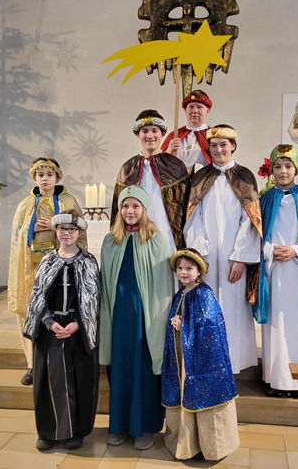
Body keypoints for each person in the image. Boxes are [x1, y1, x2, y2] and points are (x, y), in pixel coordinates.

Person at [100, 185, 174, 450]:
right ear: (120, 210)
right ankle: (118, 424)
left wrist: (159, 318)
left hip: (146, 317)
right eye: (125, 206)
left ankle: (145, 427)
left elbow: (165, 285)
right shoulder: (111, 241)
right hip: (118, 317)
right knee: (119, 369)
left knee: (143, 369)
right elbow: (104, 283)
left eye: (135, 206)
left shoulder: (156, 240)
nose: (130, 211)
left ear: (144, 210)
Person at [184, 125, 262, 374]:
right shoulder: (200, 177)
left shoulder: (245, 177)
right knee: (205, 309)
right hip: (206, 256)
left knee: (232, 309)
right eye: (214, 145)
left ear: (233, 146)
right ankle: (207, 365)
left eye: (224, 145)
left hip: (232, 259)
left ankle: (233, 365)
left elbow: (249, 220)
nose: (219, 150)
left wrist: (240, 257)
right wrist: (198, 253)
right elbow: (192, 217)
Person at [23, 211, 99, 451]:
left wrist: (78, 323)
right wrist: (47, 320)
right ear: (56, 231)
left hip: (78, 329)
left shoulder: (88, 261)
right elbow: (37, 295)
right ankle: (47, 432)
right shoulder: (48, 260)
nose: (67, 233)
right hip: (51, 329)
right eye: (62, 229)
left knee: (78, 380)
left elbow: (93, 298)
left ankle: (76, 432)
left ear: (79, 233)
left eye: (72, 229)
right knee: (47, 380)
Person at [255, 144, 298, 398]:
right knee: (277, 323)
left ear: (296, 169)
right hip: (273, 271)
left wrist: (296, 251)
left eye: (288, 166)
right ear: (271, 170)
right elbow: (256, 234)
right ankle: (275, 377)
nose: (283, 171)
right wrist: (270, 249)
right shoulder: (264, 199)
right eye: (278, 166)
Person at [7, 157, 86, 386]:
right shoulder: (25, 205)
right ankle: (32, 364)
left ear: (57, 177)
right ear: (34, 178)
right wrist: (31, 228)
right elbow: (16, 239)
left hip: (62, 267)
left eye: (49, 174)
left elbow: (80, 230)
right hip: (33, 267)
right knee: (32, 312)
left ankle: (62, 358)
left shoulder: (68, 200)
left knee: (60, 310)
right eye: (40, 174)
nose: (44, 178)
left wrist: (55, 225)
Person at [162, 248, 239, 461]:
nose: (183, 272)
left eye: (189, 268)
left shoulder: (204, 294)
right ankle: (188, 443)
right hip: (183, 356)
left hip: (201, 359)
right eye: (180, 268)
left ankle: (210, 447)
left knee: (200, 395)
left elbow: (209, 325)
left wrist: (183, 326)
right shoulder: (181, 293)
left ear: (199, 271)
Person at [110, 109, 189, 254]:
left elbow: (185, 209)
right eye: (144, 131)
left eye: (154, 130)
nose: (150, 135)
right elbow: (118, 211)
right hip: (136, 238)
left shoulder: (176, 167)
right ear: (137, 135)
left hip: (168, 238)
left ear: (162, 133)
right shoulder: (127, 169)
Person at [161, 90, 213, 172]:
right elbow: (161, 166)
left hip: (204, 181)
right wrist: (169, 151)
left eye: (199, 107)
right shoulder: (174, 135)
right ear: (185, 110)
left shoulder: (214, 135)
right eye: (191, 107)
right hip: (178, 181)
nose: (195, 111)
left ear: (208, 111)